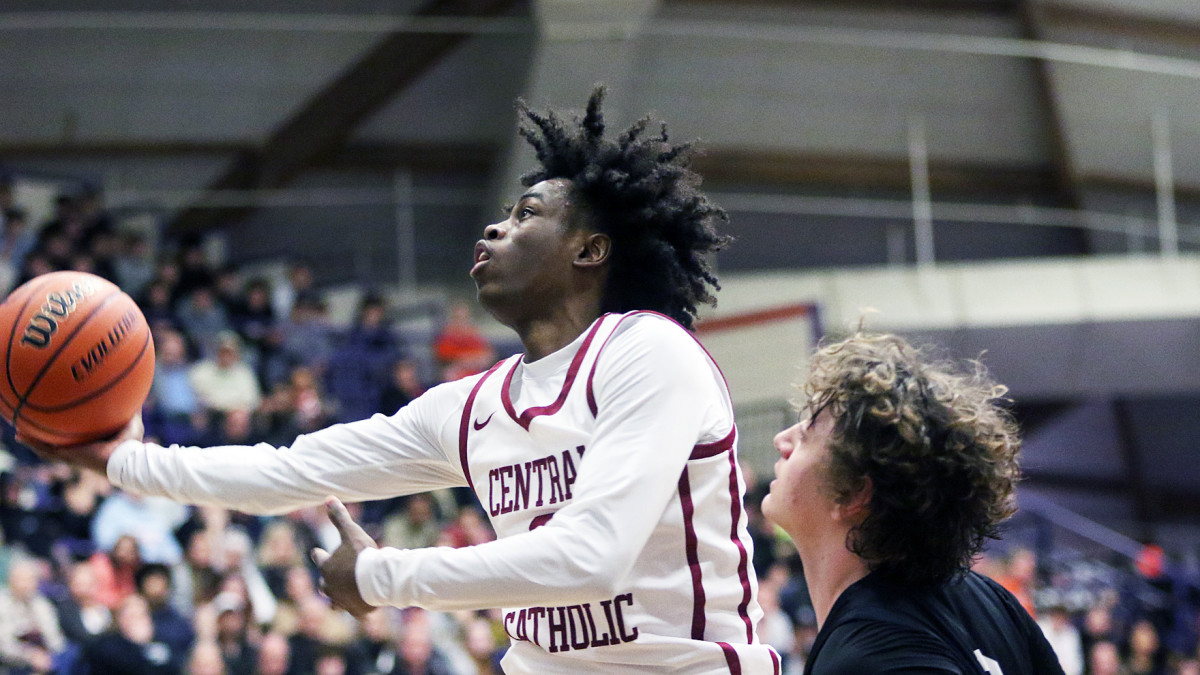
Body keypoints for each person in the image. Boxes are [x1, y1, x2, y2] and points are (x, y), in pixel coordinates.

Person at [25, 86, 777, 672]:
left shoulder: (649, 353)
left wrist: (383, 576)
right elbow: (290, 471)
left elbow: (591, 554)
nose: (494, 228)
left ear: (589, 250)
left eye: (525, 215)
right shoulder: (476, 405)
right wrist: (116, 458)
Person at [762, 333, 1064, 674]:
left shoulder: (868, 659)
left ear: (854, 493)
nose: (781, 439)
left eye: (806, 435)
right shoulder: (992, 601)